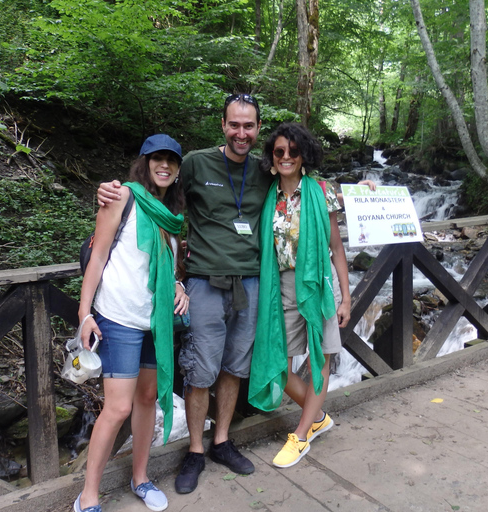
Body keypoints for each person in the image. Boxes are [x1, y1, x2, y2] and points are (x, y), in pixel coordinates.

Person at [97, 94, 271, 494]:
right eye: (234, 125)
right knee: (199, 370)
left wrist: (356, 189)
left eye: (249, 126)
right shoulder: (195, 162)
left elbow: (301, 185)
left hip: (250, 283)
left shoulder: (265, 170)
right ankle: (194, 449)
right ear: (223, 126)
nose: (241, 133)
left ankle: (222, 441)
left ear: (258, 128)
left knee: (233, 368)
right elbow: (159, 195)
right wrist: (113, 192)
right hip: (205, 283)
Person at [75, 134, 189, 512]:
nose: (165, 166)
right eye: (158, 158)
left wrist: (177, 284)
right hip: (119, 318)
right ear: (144, 161)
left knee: (146, 400)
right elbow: (98, 256)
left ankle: (140, 477)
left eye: (172, 161)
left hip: (154, 323)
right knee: (117, 408)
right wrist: (84, 314)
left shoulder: (170, 214)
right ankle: (88, 494)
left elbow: (164, 266)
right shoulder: (121, 197)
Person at [248, 123, 350, 468]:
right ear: (272, 158)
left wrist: (346, 298)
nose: (287, 157)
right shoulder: (268, 194)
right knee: (274, 362)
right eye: (280, 152)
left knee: (320, 356)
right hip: (278, 286)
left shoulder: (322, 191)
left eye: (293, 151)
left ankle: (302, 435)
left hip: (317, 282)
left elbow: (336, 247)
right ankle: (318, 415)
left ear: (304, 154)